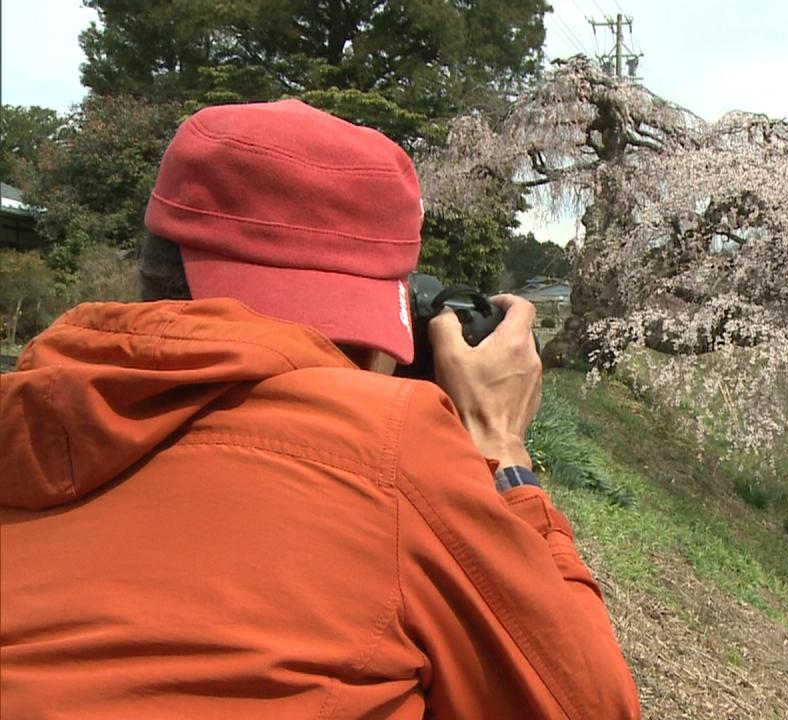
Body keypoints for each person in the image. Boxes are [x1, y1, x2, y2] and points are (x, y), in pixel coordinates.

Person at [0, 99, 642, 719]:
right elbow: (590, 707)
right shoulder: (392, 438)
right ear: (375, 327)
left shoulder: (22, 414)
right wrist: (501, 450)